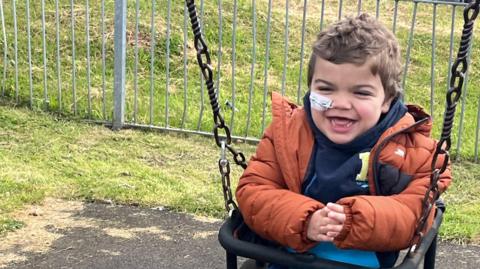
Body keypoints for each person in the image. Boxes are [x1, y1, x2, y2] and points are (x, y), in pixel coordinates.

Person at [235, 13, 452, 269]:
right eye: (325, 89)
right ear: (311, 88)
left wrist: (352, 220)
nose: (339, 104)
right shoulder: (288, 134)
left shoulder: (414, 151)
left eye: (360, 92)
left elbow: (415, 213)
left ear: (386, 100)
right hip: (290, 257)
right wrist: (307, 219)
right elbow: (254, 190)